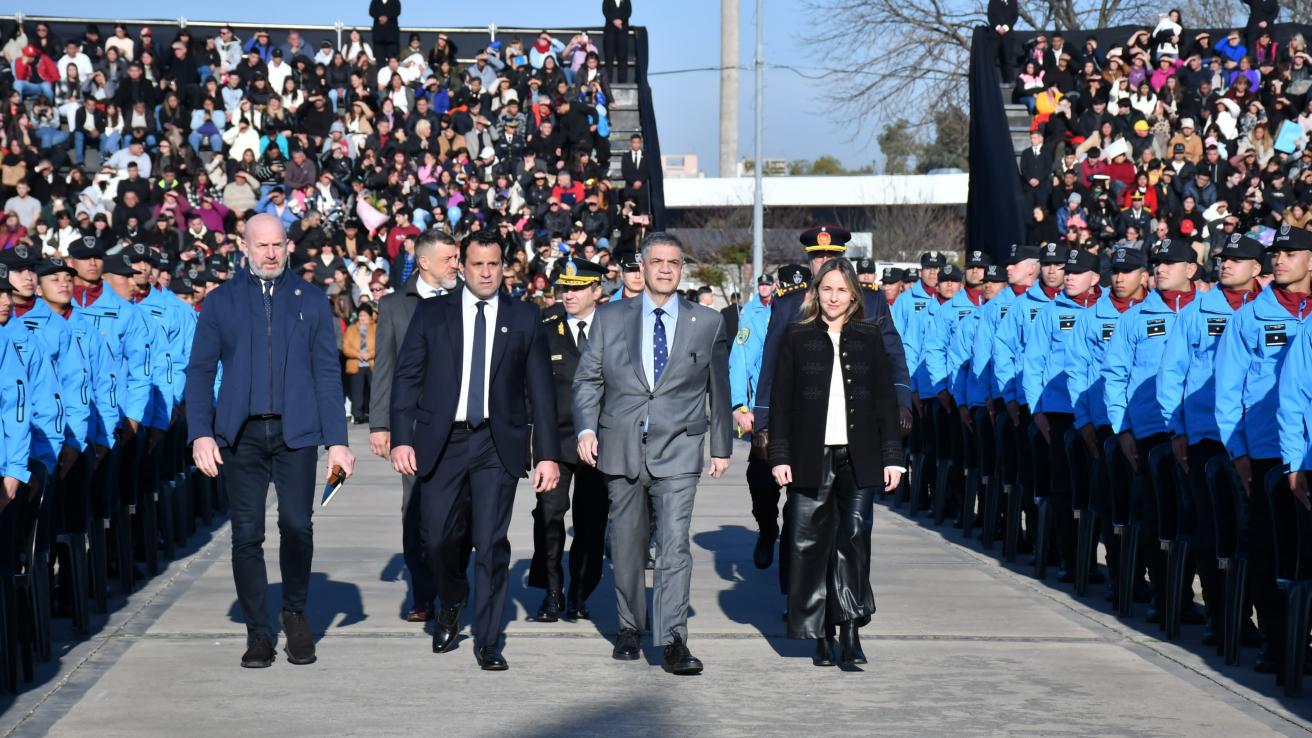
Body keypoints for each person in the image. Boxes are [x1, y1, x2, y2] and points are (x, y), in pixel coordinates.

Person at [184, 213, 356, 669]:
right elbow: (200, 371)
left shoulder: (312, 300)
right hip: (240, 436)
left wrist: (336, 441)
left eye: (278, 244)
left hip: (296, 433)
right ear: (245, 248)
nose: (271, 253)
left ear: (288, 247)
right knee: (246, 535)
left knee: (297, 525)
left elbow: (326, 372)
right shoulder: (221, 302)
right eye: (261, 245)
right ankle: (259, 631)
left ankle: (295, 614)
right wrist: (201, 432)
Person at [388, 234, 560, 671]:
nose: (486, 272)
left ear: (505, 267)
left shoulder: (524, 316)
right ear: (461, 266)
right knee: (439, 538)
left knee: (490, 543)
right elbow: (406, 378)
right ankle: (452, 599)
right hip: (441, 442)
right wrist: (401, 437)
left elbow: (542, 390)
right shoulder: (432, 313)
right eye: (477, 264)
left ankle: (487, 639)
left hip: (495, 443)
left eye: (494, 264)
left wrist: (547, 454)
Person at [572, 232, 731, 675]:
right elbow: (587, 381)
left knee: (675, 545)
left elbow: (719, 388)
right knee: (626, 544)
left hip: (679, 447)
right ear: (640, 267)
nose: (664, 269)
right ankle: (628, 625)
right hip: (619, 445)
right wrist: (586, 428)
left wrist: (720, 447)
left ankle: (673, 638)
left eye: (673, 263)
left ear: (683, 269)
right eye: (656, 261)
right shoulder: (609, 318)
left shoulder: (708, 321)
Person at [768, 256, 903, 668]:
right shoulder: (797, 336)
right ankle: (822, 631)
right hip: (811, 455)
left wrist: (893, 458)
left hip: (859, 456)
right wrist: (779, 455)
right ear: (815, 293)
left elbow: (884, 401)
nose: (833, 297)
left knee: (855, 537)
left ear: (853, 296)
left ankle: (851, 628)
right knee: (812, 544)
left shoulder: (868, 336)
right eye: (827, 288)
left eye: (841, 290)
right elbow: (781, 402)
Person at [1215, 223, 1312, 677]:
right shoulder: (1250, 316)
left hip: (1309, 449)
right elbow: (1228, 388)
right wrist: (1238, 451)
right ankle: (1278, 644)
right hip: (1267, 450)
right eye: (1278, 252)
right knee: (1272, 551)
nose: (1281, 259)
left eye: (1292, 253)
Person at [1158, 233, 1264, 639]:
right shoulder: (1196, 311)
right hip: (1205, 437)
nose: (1226, 264)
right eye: (1222, 258)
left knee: (1254, 534)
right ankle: (1224, 620)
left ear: (1257, 268)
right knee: (1212, 530)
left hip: (1256, 438)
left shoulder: (1267, 309)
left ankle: (1263, 623)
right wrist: (1177, 429)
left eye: (1237, 259)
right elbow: (1172, 373)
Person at [1104, 238, 1200, 626]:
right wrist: (1123, 427)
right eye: (1157, 263)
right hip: (1150, 431)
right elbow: (1115, 376)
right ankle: (1164, 597)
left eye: (1170, 263)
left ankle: (1198, 602)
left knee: (1196, 522)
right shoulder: (1135, 318)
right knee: (1155, 517)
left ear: (1191, 269)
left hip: (1197, 431)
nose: (1161, 269)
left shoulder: (1208, 312)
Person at [369, 229, 463, 624]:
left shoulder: (467, 299)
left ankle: (454, 588)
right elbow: (385, 368)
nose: (456, 265)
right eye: (449, 259)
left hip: (463, 421)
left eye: (457, 258)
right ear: (424, 262)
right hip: (416, 426)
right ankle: (425, 594)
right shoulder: (395, 306)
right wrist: (381, 424)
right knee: (418, 510)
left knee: (460, 513)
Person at [529, 258, 609, 622]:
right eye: (565, 287)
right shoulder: (545, 326)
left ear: (597, 291)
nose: (569, 294)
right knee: (548, 516)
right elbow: (531, 388)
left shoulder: (613, 328)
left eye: (578, 288)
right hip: (556, 440)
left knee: (591, 523)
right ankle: (552, 592)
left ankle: (580, 592)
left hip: (599, 442)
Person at [729, 272, 782, 568]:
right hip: (764, 411)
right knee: (761, 480)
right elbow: (740, 360)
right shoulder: (753, 314)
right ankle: (767, 528)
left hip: (802, 412)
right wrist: (740, 405)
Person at [343, 302, 377, 424]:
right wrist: (357, 354)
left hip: (372, 364)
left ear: (370, 316)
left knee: (374, 391)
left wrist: (370, 354)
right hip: (356, 363)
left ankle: (374, 414)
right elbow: (346, 347)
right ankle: (357, 415)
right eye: (361, 315)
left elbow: (381, 345)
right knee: (357, 392)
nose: (363, 318)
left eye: (365, 315)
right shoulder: (351, 329)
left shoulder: (376, 328)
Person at [602, 0, 633, 84]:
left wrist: (621, 20)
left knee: (622, 58)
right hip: (609, 32)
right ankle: (608, 82)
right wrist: (613, 21)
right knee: (609, 58)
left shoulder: (627, 1)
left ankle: (622, 82)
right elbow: (605, 11)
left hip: (622, 32)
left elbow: (628, 12)